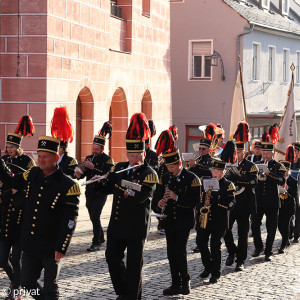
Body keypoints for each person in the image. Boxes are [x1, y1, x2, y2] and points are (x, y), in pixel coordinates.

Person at [95, 113, 158, 300]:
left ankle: (132, 296)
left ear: (143, 154)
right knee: (112, 258)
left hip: (136, 227)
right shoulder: (120, 167)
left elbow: (139, 197)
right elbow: (107, 189)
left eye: (136, 156)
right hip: (117, 225)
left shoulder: (149, 173)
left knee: (134, 266)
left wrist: (118, 183)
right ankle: (124, 291)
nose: (132, 160)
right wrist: (100, 180)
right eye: (130, 155)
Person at [11, 135, 80, 300]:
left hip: (51, 246)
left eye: (45, 157)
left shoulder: (69, 185)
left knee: (51, 288)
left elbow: (70, 220)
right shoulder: (33, 173)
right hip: (30, 243)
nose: (41, 160)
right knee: (27, 282)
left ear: (56, 158)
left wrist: (62, 246)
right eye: (39, 156)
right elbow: (15, 182)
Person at [152, 130, 200, 296]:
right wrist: (159, 204)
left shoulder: (192, 178)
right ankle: (175, 283)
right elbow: (155, 199)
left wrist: (176, 197)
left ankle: (185, 280)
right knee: (171, 253)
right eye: (167, 167)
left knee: (179, 251)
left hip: (184, 220)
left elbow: (195, 202)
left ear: (179, 164)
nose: (169, 169)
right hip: (169, 221)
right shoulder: (164, 178)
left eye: (172, 166)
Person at [75, 121, 114, 252]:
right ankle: (101, 237)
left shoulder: (108, 159)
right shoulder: (88, 157)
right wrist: (79, 173)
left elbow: (107, 175)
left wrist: (95, 168)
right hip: (89, 191)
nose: (94, 151)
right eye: (93, 149)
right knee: (92, 216)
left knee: (96, 216)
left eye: (97, 149)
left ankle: (96, 242)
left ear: (102, 149)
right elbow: (82, 175)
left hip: (101, 192)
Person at [197, 157, 235, 284]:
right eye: (213, 169)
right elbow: (199, 199)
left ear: (223, 172)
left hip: (219, 220)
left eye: (218, 171)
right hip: (205, 219)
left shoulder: (228, 185)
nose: (215, 172)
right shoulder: (204, 181)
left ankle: (215, 273)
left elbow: (231, 202)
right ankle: (208, 266)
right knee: (201, 243)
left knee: (215, 246)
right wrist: (201, 206)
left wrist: (216, 202)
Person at [224, 142, 258, 271]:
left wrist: (237, 179)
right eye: (234, 152)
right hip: (230, 202)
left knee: (243, 234)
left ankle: (240, 261)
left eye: (238, 152)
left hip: (245, 204)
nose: (236, 155)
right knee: (225, 230)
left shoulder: (251, 166)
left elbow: (253, 182)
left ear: (243, 153)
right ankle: (232, 251)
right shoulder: (227, 166)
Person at [252, 141, 286, 261]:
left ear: (272, 154)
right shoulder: (256, 164)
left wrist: (269, 173)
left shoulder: (278, 166)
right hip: (258, 201)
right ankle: (259, 246)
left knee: (271, 227)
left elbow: (282, 180)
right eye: (263, 153)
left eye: (267, 154)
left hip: (272, 201)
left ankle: (268, 251)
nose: (265, 156)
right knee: (254, 224)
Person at [188, 137, 213, 253]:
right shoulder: (197, 160)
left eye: (203, 149)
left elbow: (210, 170)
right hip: (197, 193)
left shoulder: (211, 160)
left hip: (207, 194)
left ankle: (208, 241)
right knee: (198, 221)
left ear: (209, 150)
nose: (201, 150)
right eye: (200, 148)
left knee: (207, 220)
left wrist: (195, 166)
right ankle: (200, 243)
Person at [278, 160, 297, 253]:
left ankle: (283, 245)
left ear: (288, 170)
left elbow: (294, 194)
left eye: (286, 169)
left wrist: (287, 189)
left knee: (285, 225)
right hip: (279, 206)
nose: (284, 172)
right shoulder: (277, 179)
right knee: (279, 226)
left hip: (288, 206)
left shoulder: (293, 181)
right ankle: (285, 239)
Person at [290, 142, 300, 243]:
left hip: (299, 190)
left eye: (295, 151)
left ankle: (297, 235)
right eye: (292, 151)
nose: (294, 153)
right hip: (289, 190)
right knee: (288, 212)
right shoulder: (288, 162)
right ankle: (290, 232)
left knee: (298, 212)